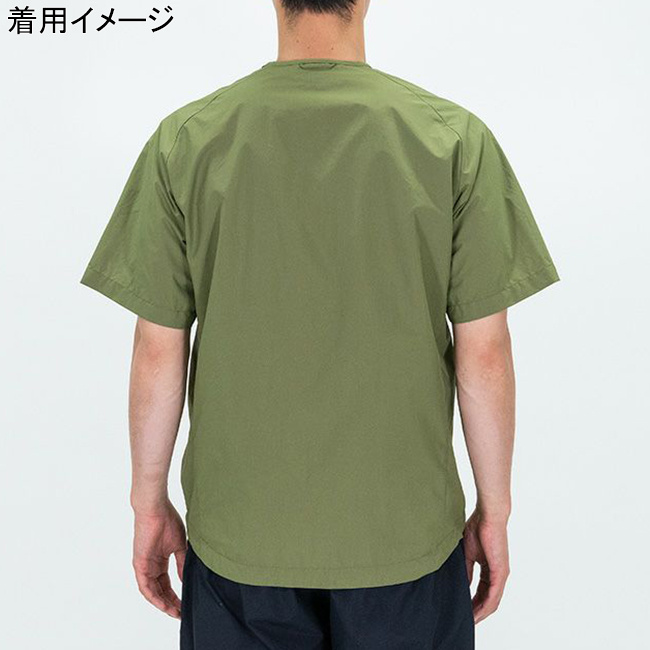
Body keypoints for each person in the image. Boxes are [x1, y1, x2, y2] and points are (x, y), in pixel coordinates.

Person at [80, 0, 560, 647]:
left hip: (240, 539)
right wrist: (494, 511)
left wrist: (147, 503)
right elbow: (485, 356)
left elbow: (158, 350)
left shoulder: (186, 140)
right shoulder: (454, 141)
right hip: (404, 537)